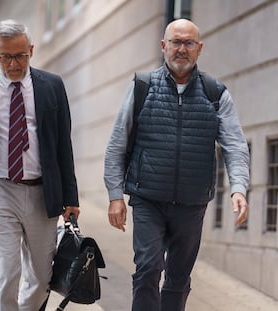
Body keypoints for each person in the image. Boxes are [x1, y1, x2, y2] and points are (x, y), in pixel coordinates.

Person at [104, 18, 250, 311]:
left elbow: (234, 145)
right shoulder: (142, 87)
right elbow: (116, 145)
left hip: (192, 203)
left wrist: (239, 188)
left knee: (178, 278)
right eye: (176, 42)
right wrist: (115, 196)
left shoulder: (215, 93)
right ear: (163, 46)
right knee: (147, 268)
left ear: (199, 49)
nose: (181, 49)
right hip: (148, 199)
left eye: (188, 43)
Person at [0, 20, 80, 311]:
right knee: (5, 272)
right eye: (6, 57)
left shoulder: (52, 85)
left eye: (20, 56)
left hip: (42, 191)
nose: (14, 63)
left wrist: (71, 197)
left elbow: (64, 143)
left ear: (31, 50)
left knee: (41, 278)